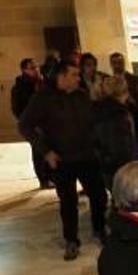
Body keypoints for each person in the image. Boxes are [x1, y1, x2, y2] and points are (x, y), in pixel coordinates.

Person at [18, 60, 108, 260]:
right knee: (68, 202)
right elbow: (25, 126)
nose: (79, 78)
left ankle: (100, 229)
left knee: (99, 196)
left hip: (87, 156)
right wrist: (46, 151)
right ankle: (71, 240)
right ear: (62, 77)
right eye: (74, 74)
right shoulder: (42, 98)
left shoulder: (81, 96)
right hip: (62, 160)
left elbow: (93, 121)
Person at [91, 76, 138, 188]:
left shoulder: (98, 109)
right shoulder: (118, 113)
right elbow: (122, 145)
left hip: (106, 165)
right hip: (122, 166)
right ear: (123, 91)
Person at [11, 57, 52, 189]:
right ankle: (43, 179)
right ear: (24, 70)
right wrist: (28, 121)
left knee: (49, 148)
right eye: (32, 68)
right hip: (33, 125)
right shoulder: (20, 87)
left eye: (36, 67)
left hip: (47, 123)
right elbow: (17, 108)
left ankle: (52, 176)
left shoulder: (43, 82)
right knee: (38, 151)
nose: (36, 70)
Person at [110, 52, 138, 158]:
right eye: (115, 62)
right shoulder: (108, 81)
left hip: (135, 120)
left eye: (120, 62)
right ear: (111, 64)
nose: (117, 65)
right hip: (118, 123)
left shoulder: (134, 79)